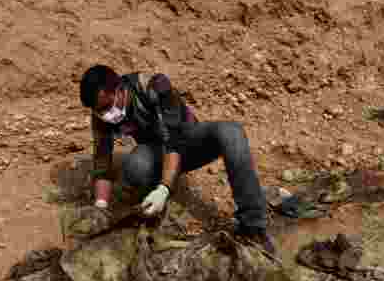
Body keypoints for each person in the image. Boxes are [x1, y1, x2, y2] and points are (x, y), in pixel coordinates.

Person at [78, 64, 275, 254]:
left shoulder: (154, 86)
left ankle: (253, 227)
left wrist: (164, 189)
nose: (105, 115)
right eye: (98, 111)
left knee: (231, 132)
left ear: (121, 89)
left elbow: (174, 140)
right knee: (135, 167)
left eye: (106, 107)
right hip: (156, 154)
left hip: (188, 143)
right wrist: (101, 206)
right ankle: (151, 206)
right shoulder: (101, 115)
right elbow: (102, 161)